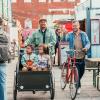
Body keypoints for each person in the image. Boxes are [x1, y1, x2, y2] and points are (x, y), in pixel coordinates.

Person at [65, 20, 90, 94]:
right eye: (73, 26)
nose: (74, 27)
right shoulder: (69, 34)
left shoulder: (83, 34)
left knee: (82, 72)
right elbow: (65, 41)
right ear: (72, 27)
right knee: (77, 72)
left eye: (76, 25)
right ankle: (78, 86)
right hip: (73, 56)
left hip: (82, 55)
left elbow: (88, 43)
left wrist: (86, 48)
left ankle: (76, 81)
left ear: (79, 26)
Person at [0, 17, 7, 100]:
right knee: (2, 84)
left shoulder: (3, 35)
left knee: (1, 84)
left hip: (1, 62)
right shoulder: (5, 34)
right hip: (2, 62)